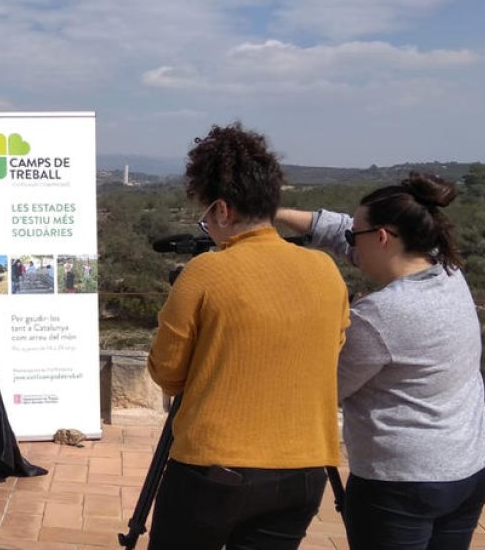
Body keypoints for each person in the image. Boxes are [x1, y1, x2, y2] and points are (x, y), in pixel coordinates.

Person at [146, 123, 350, 550]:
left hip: (214, 469)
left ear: (222, 210)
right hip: (306, 470)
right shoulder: (325, 271)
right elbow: (332, 351)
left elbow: (167, 372)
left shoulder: (205, 271)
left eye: (206, 217)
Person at [276, 173, 485, 549]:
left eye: (356, 236)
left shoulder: (380, 315)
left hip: (405, 483)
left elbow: (327, 387)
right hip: (472, 465)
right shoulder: (448, 271)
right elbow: (345, 231)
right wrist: (274, 211)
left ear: (383, 237)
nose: (350, 241)